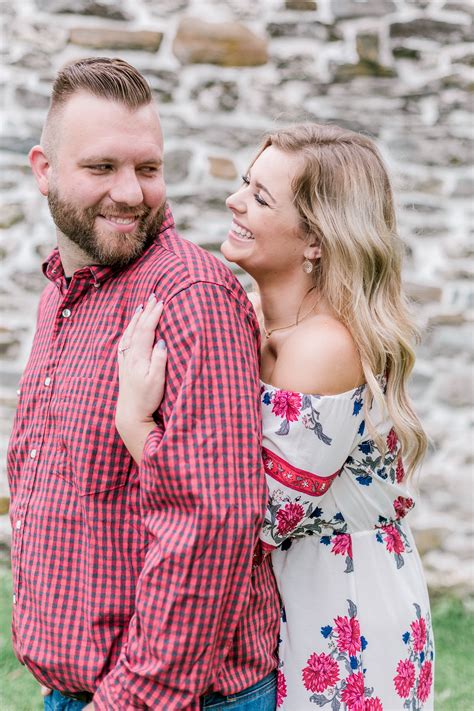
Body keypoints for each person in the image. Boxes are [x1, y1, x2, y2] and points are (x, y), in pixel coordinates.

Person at [121, 123, 434, 710]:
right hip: (287, 599)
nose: (234, 200)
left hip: (342, 615)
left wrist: (137, 426)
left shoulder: (324, 348)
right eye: (246, 182)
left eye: (261, 197)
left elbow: (256, 515)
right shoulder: (261, 325)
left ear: (316, 239)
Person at [7, 57, 281, 710]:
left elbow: (209, 526)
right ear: (44, 169)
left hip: (176, 700)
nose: (131, 192)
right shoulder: (61, 297)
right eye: (102, 168)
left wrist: (130, 700)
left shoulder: (189, 296)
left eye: (148, 169)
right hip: (78, 691)